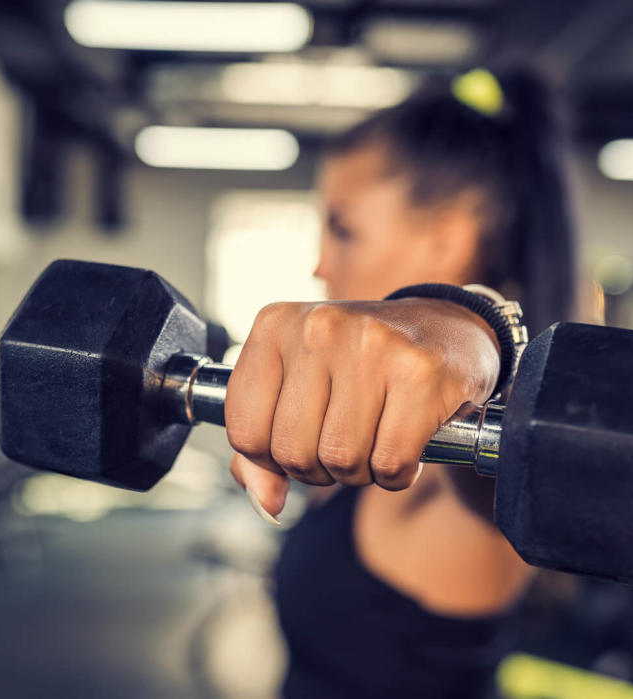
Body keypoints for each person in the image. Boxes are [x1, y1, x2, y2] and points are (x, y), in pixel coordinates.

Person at [222, 68, 578, 697]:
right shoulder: (392, 431)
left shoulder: (480, 450)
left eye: (344, 228)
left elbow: (499, 442)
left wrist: (472, 325)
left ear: (448, 241)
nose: (321, 263)